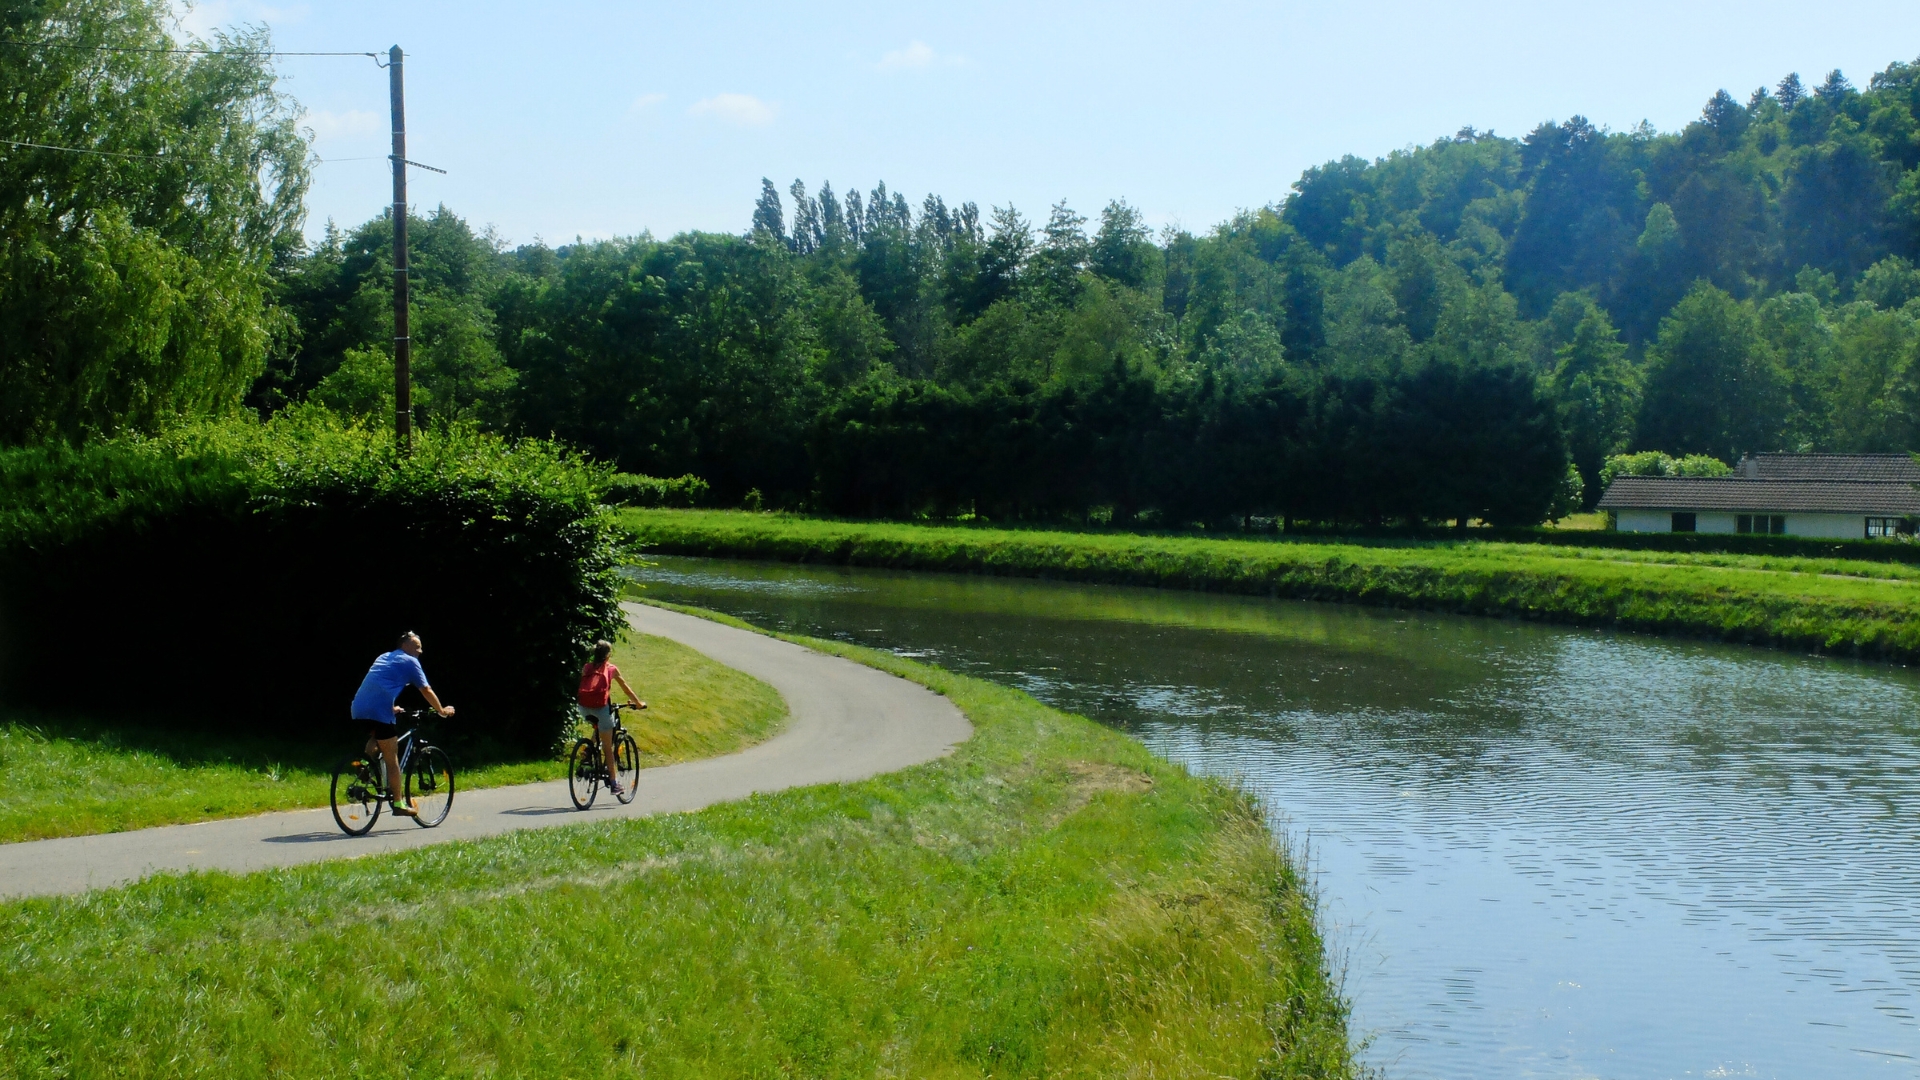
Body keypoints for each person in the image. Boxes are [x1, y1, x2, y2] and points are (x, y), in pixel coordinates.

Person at [351, 631, 454, 816]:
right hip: (379, 710)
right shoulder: (410, 661)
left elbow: (380, 684)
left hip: (359, 708)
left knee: (377, 737)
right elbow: (426, 690)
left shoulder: (385, 656)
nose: (420, 651)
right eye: (417, 647)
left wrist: (391, 708)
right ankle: (398, 804)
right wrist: (442, 711)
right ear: (404, 646)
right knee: (392, 758)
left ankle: (364, 767)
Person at [578, 639, 644, 797]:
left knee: (599, 726)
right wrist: (638, 703)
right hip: (601, 708)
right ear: (608, 655)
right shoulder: (611, 669)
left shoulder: (587, 667)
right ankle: (614, 784)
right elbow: (626, 689)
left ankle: (588, 750)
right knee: (608, 746)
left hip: (584, 708)